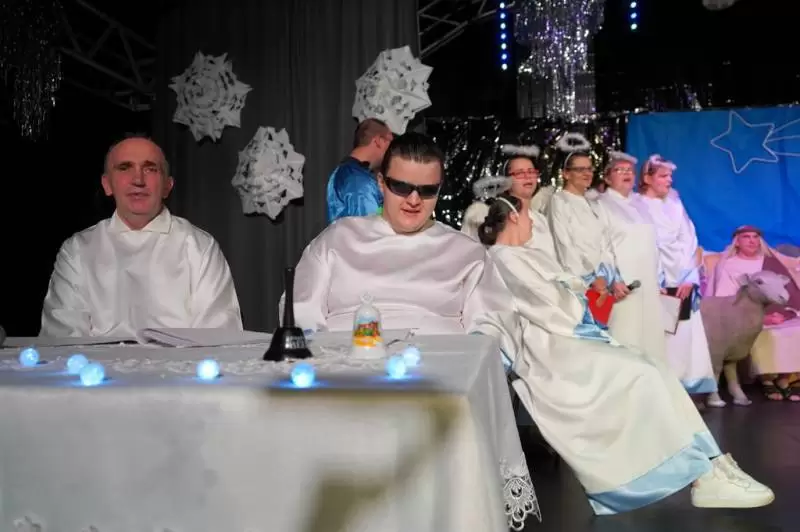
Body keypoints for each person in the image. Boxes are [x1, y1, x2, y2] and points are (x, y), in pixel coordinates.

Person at [479, 193, 774, 514]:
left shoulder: (524, 254)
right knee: (643, 375)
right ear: (513, 217)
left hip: (569, 338)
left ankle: (711, 462)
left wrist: (573, 289)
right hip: (552, 348)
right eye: (528, 217)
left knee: (656, 368)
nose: (532, 223)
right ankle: (697, 472)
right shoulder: (504, 258)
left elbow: (560, 292)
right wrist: (574, 295)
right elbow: (549, 308)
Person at [291, 133, 518, 345]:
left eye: (427, 190)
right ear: (381, 183)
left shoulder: (466, 252)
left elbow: (494, 325)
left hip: (442, 368)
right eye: (401, 187)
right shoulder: (337, 239)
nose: (414, 200)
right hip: (345, 365)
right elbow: (301, 311)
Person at [40, 135, 242, 337]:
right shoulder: (78, 249)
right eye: (124, 168)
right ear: (107, 184)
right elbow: (63, 337)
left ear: (167, 186)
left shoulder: (200, 247)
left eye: (150, 169)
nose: (138, 180)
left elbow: (217, 336)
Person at [636, 155, 717, 398]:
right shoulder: (636, 206)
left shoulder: (675, 206)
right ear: (647, 178)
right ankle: (658, 390)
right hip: (654, 281)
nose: (669, 180)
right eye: (663, 176)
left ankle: (684, 389)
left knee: (684, 336)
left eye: (670, 176)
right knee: (658, 336)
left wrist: (689, 278)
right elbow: (640, 246)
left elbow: (690, 241)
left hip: (681, 280)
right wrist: (653, 280)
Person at [707, 225, 800, 402]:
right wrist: (764, 317)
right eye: (746, 237)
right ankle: (766, 379)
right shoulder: (728, 265)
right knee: (762, 332)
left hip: (776, 312)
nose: (752, 241)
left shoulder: (770, 262)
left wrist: (783, 314)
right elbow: (725, 297)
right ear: (737, 242)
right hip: (743, 315)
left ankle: (783, 379)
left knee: (795, 330)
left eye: (755, 237)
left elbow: (786, 292)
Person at [595, 152, 666, 362]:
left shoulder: (640, 204)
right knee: (625, 336)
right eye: (620, 170)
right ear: (607, 177)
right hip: (624, 284)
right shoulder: (601, 204)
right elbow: (601, 246)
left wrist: (659, 279)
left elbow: (653, 244)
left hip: (648, 283)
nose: (627, 174)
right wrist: (613, 279)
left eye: (630, 171)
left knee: (650, 340)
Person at [548, 151, 630, 303]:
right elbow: (565, 247)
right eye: (580, 169)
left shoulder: (594, 205)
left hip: (601, 286)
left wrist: (609, 277)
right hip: (577, 287)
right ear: (566, 174)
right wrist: (591, 279)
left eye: (589, 169)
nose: (587, 173)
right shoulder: (559, 201)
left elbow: (605, 244)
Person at [326, 118, 393, 223]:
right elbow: (370, 227)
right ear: (379, 141)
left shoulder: (343, 172)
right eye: (390, 142)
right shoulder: (358, 179)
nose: (392, 151)